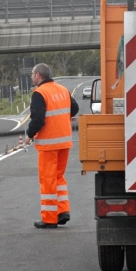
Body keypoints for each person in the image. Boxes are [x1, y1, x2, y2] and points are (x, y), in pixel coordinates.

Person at [27, 63, 79, 229]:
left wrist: (29, 134)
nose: (31, 77)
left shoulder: (39, 93)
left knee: (48, 179)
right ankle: (63, 211)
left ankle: (49, 218)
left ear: (38, 76)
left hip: (49, 144)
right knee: (59, 177)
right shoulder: (62, 89)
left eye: (32, 74)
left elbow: (38, 119)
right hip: (64, 142)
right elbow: (75, 108)